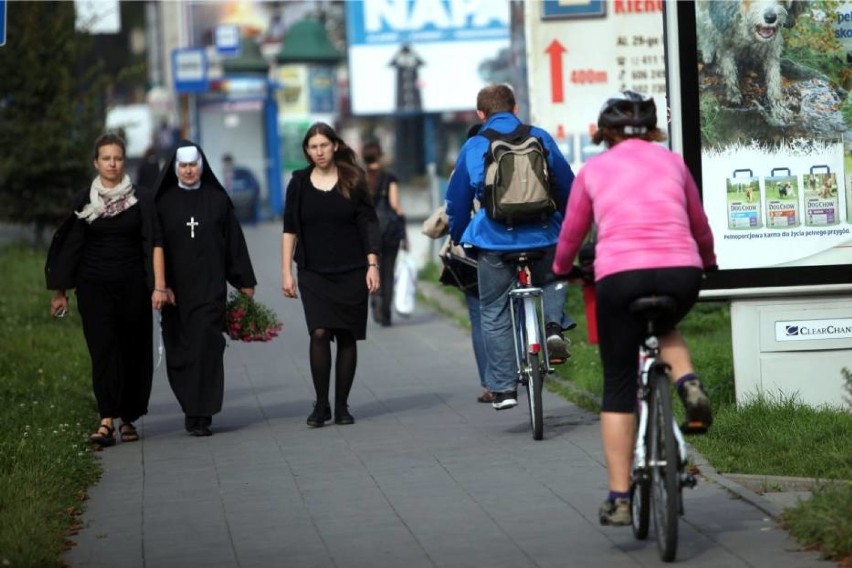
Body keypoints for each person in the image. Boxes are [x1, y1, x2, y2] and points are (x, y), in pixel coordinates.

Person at [551, 91, 716, 526]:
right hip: (681, 272)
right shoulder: (673, 164)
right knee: (665, 329)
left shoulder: (594, 170)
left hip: (621, 277)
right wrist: (709, 262)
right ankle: (688, 383)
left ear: (605, 132)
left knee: (620, 382)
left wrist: (562, 268)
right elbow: (698, 223)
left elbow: (573, 231)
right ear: (653, 131)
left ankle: (620, 497)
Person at [445, 84, 576, 412]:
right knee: (553, 276)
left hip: (494, 239)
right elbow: (566, 184)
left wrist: (461, 235)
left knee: (493, 309)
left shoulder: (475, 145)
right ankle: (552, 327)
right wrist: (563, 222)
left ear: (480, 114)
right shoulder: (540, 136)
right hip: (543, 234)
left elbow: (457, 202)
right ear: (515, 108)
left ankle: (503, 388)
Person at [45, 133, 154, 447]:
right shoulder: (84, 199)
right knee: (103, 351)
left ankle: (128, 418)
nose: (112, 163)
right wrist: (60, 291)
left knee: (132, 351)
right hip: (94, 288)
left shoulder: (141, 198)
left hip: (133, 286)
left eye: (117, 158)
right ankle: (106, 418)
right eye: (106, 158)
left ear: (124, 160)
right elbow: (71, 246)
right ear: (96, 162)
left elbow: (151, 242)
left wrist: (159, 285)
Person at [151, 141, 257, 437]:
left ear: (201, 165)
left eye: (193, 165)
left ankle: (203, 413)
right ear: (175, 169)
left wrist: (245, 281)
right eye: (183, 166)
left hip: (210, 289)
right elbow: (152, 247)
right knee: (182, 350)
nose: (188, 170)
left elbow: (234, 242)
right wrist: (157, 286)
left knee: (208, 347)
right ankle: (191, 406)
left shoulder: (217, 199)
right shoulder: (162, 203)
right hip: (176, 293)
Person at [281, 122, 381, 427]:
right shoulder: (298, 182)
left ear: (335, 145)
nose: (319, 152)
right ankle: (321, 404)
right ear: (307, 151)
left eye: (323, 145)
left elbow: (368, 223)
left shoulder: (353, 178)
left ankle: (342, 406)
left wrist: (373, 265)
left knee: (347, 334)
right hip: (312, 271)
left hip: (352, 269)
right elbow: (290, 229)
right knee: (320, 332)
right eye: (313, 147)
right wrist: (286, 271)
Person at [362, 139, 406, 327]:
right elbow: (395, 205)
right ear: (379, 155)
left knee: (372, 267)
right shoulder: (390, 178)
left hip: (367, 231)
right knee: (388, 271)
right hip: (389, 231)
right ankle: (386, 313)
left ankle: (375, 299)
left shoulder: (360, 178)